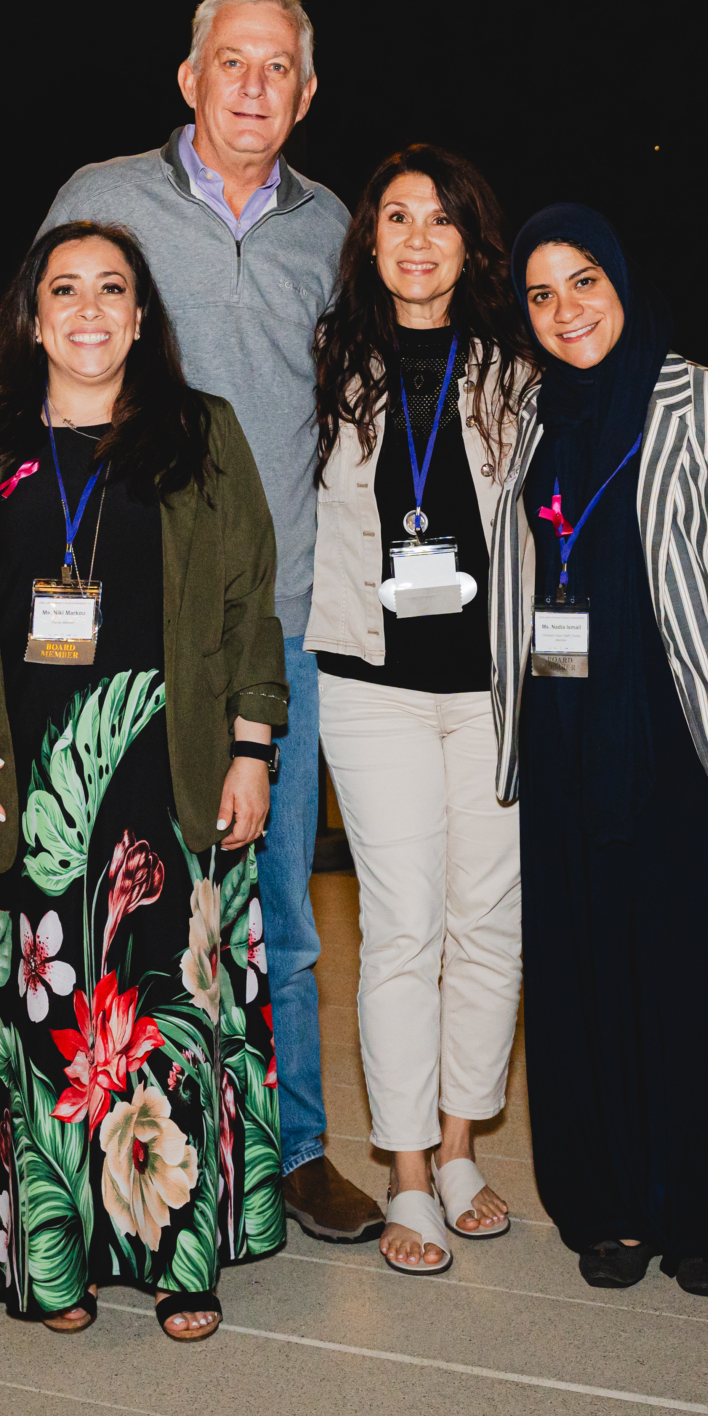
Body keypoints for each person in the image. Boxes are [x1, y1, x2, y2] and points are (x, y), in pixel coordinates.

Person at [0, 0, 375, 1241]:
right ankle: (86, 1142)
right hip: (105, 625)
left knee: (271, 902)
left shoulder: (328, 226)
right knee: (96, 898)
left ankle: (289, 1149)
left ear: (305, 92)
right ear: (187, 79)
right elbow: (22, 337)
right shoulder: (103, 195)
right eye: (229, 63)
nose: (251, 87)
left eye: (276, 69)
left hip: (261, 623)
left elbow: (363, 397)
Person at [0, 221, 288, 1342]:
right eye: (67, 289)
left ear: (143, 316)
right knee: (28, 1020)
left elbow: (253, 606)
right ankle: (50, 1261)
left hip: (164, 780)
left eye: (115, 289)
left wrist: (252, 750)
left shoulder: (200, 435)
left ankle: (176, 1254)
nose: (91, 309)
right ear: (32, 313)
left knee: (161, 1018)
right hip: (1, 786)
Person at [486, 204, 708, 1296]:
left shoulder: (707, 401)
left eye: (584, 282)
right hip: (561, 737)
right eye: (540, 293)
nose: (565, 310)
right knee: (581, 979)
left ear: (623, 280)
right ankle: (602, 1201)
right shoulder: (531, 420)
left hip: (680, 736)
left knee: (694, 980)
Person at [304, 145, 532, 1274]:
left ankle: (457, 1148)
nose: (417, 237)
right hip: (371, 686)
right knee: (401, 925)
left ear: (468, 242)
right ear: (369, 239)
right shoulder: (327, 359)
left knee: (488, 922)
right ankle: (401, 1173)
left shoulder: (514, 367)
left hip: (493, 689)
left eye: (440, 219)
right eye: (396, 217)